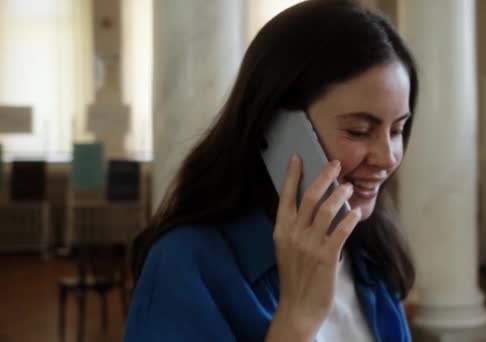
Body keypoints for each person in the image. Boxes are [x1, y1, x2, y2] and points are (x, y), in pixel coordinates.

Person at [125, 0, 418, 341]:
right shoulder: (185, 263)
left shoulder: (368, 251)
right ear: (277, 128)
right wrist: (297, 318)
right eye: (358, 130)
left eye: (397, 130)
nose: (388, 158)